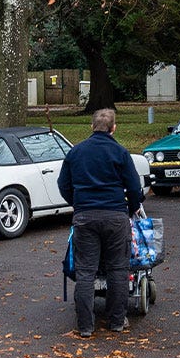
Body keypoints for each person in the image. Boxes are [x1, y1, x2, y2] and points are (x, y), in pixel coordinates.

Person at [57, 108, 144, 337]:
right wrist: (133, 205)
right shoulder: (120, 152)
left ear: (91, 126)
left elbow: (63, 184)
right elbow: (134, 186)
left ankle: (85, 326)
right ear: (113, 128)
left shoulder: (76, 152)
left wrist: (77, 203)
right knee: (118, 269)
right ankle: (116, 321)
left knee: (86, 272)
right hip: (115, 215)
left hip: (85, 216)